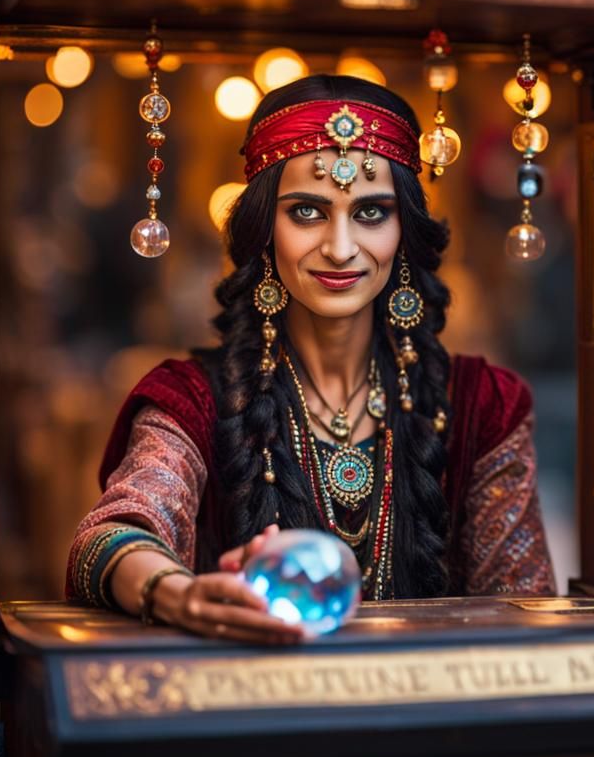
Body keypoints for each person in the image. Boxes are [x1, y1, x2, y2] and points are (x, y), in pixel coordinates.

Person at [66, 74, 554, 641]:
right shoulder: (193, 402)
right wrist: (175, 593)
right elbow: (113, 534)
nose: (341, 247)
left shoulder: (481, 406)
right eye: (307, 212)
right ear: (265, 228)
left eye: (371, 213)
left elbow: (527, 617)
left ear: (404, 231)